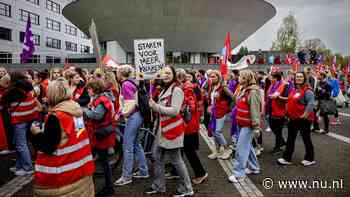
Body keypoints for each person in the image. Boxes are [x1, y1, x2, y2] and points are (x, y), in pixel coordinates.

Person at [30, 78, 95, 197]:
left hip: (62, 179)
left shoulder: (56, 117)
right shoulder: (75, 109)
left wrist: (37, 133)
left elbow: (48, 147)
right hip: (81, 172)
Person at [146, 65, 194, 197]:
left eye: (168, 73)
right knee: (157, 156)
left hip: (172, 131)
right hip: (163, 130)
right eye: (163, 73)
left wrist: (156, 107)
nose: (165, 75)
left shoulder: (177, 90)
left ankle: (187, 188)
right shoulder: (164, 89)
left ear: (173, 75)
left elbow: (175, 111)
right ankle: (159, 185)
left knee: (176, 159)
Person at [114, 65, 149, 186]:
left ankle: (126, 176)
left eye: (117, 72)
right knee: (135, 144)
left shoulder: (125, 84)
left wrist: (122, 114)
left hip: (133, 117)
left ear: (121, 74)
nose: (116, 75)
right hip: (138, 116)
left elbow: (129, 104)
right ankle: (143, 170)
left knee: (127, 146)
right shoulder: (132, 83)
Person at [2, 71, 40, 176]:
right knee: (21, 143)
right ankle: (19, 165)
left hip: (19, 119)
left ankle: (27, 167)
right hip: (30, 117)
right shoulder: (29, 86)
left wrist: (4, 84)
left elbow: (3, 99)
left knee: (20, 144)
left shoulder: (13, 89)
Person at [83, 79, 116, 196]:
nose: (88, 91)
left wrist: (85, 110)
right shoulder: (100, 98)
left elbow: (97, 115)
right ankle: (107, 186)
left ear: (95, 89)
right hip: (100, 134)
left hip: (101, 135)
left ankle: (108, 187)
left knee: (104, 162)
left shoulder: (101, 100)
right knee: (103, 161)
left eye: (89, 89)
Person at [228, 69, 262, 183]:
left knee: (240, 149)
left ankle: (239, 174)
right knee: (248, 147)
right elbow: (235, 100)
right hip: (241, 123)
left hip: (248, 125)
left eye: (241, 77)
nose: (238, 78)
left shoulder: (253, 92)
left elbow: (255, 110)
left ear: (246, 79)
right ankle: (254, 167)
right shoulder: (243, 89)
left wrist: (256, 126)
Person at [277, 72, 316, 166]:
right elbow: (289, 101)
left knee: (306, 139)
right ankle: (287, 158)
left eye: (300, 77)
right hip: (293, 118)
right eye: (297, 77)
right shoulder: (294, 90)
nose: (298, 78)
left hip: (304, 119)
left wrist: (305, 114)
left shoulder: (308, 91)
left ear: (304, 79)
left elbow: (311, 103)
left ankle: (310, 159)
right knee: (290, 139)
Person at [207, 70, 232, 160]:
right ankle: (216, 151)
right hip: (213, 112)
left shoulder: (223, 87)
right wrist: (210, 106)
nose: (211, 78)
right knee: (213, 131)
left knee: (217, 131)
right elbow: (211, 100)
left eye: (214, 76)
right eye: (210, 76)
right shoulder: (211, 87)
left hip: (221, 112)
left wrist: (226, 108)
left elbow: (232, 98)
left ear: (219, 77)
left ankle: (226, 149)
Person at [266, 70, 289, 154]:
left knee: (278, 130)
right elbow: (269, 94)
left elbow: (286, 98)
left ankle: (277, 147)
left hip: (280, 110)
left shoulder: (284, 85)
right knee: (273, 127)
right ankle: (282, 141)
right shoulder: (272, 85)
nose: (269, 78)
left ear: (276, 78)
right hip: (272, 109)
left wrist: (277, 97)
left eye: (271, 77)